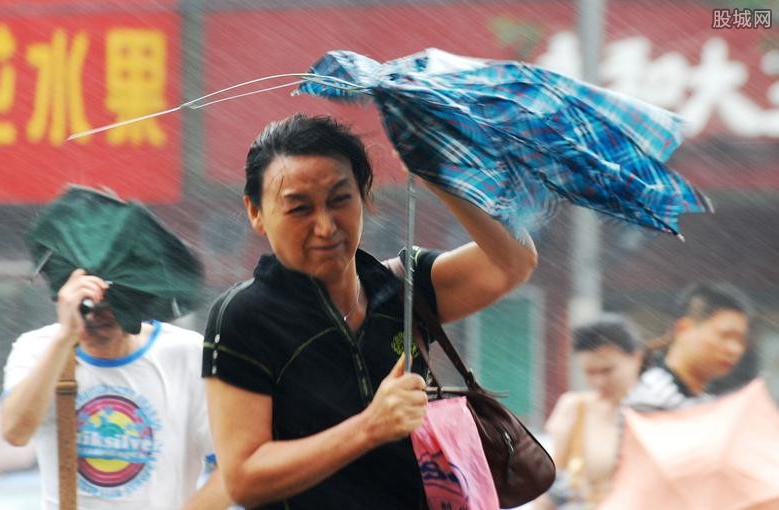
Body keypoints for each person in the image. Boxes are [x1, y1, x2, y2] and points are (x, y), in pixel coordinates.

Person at [202, 113, 538, 509]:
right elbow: (244, 477)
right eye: (299, 208)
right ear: (256, 213)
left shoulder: (403, 288)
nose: (325, 226)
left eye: (340, 199)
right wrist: (370, 427)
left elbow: (513, 261)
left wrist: (440, 176)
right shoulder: (243, 317)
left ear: (365, 195)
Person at [0, 269, 232, 509]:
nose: (94, 317)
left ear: (137, 299)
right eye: (85, 306)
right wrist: (64, 339)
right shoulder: (39, 349)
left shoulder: (188, 353)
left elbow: (231, 468)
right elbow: (16, 432)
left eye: (110, 303)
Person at [537, 314, 643, 510]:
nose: (599, 382)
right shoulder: (576, 408)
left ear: (636, 357)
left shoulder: (659, 409)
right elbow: (554, 484)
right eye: (590, 372)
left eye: (607, 370)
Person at [623, 282, 751, 412]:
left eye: (741, 340)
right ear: (683, 329)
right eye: (725, 336)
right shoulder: (647, 398)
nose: (734, 349)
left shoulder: (710, 404)